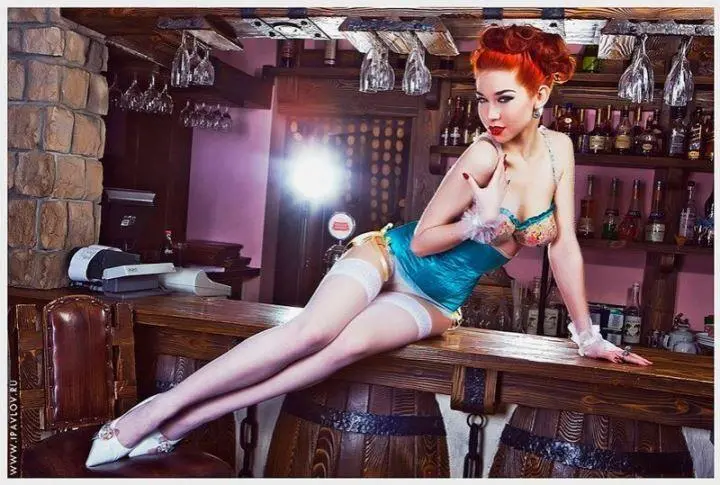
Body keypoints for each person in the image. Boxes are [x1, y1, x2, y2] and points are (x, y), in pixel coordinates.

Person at [86, 24, 652, 467]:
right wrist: (477, 226)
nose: (491, 114)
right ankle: (154, 413)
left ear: (541, 94)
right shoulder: (484, 154)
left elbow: (563, 247)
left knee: (337, 353)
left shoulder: (559, 150)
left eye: (504, 98)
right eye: (482, 100)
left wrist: (587, 335)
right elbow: (424, 241)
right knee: (311, 332)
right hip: (389, 257)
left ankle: (185, 422)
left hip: (437, 300)